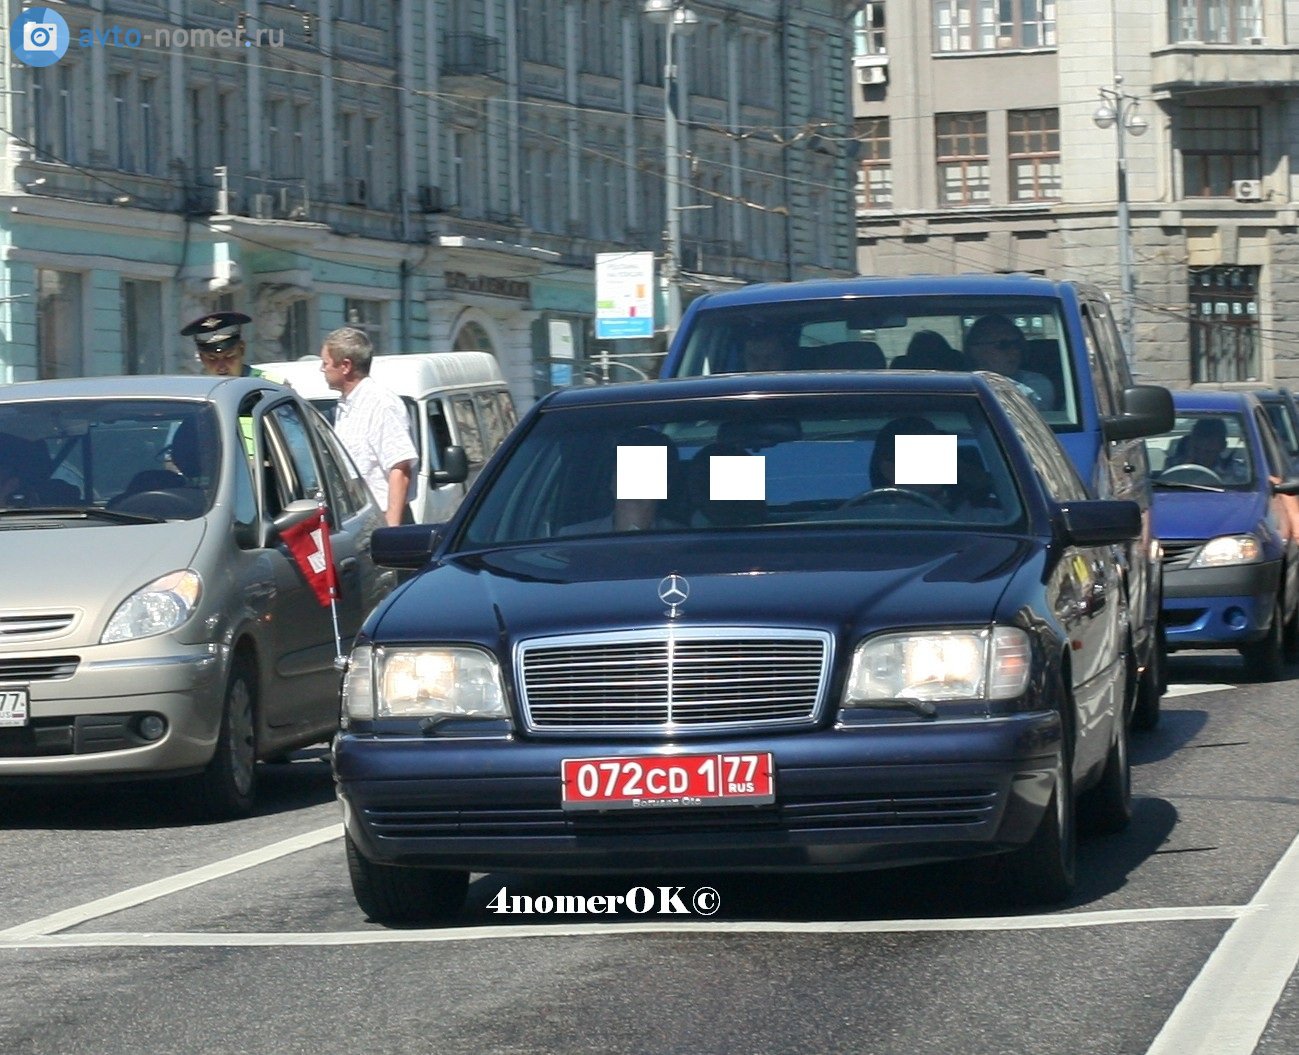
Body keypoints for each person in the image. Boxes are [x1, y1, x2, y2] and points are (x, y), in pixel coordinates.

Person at [320, 327, 418, 526]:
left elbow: (400, 468)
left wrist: (390, 532)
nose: (322, 369)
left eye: (326, 363)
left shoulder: (381, 404)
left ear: (345, 366)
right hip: (359, 522)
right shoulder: (347, 405)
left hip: (383, 522)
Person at [559, 427, 685, 534]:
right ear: (611, 481)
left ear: (666, 485)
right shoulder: (572, 538)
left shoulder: (683, 541)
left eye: (647, 471)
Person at [964, 314, 1055, 409]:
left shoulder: (1035, 384)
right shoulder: (960, 386)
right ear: (976, 350)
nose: (1014, 351)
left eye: (1017, 344)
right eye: (1003, 345)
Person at [181, 311, 269, 378]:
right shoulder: (196, 391)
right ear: (201, 358)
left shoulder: (267, 384)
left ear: (242, 349)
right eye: (212, 358)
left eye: (229, 356)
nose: (222, 367)